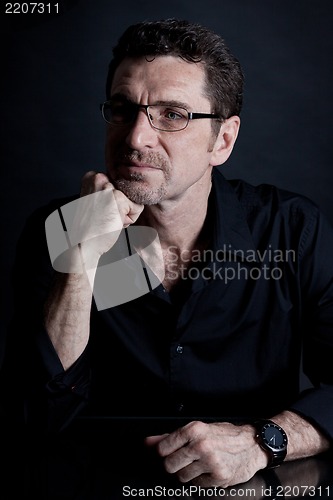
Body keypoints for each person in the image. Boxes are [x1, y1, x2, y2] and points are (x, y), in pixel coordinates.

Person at [1, 18, 333, 488]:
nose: (136, 138)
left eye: (172, 115)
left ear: (223, 140)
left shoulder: (291, 231)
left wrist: (263, 442)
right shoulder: (56, 229)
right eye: (122, 109)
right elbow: (35, 413)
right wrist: (80, 260)